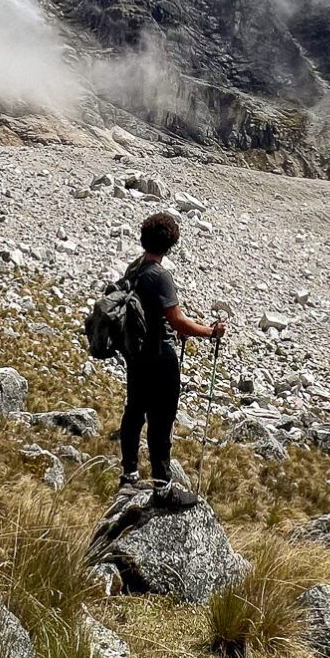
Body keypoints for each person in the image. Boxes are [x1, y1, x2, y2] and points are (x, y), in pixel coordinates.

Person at [119, 210, 224, 506]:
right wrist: (210, 331)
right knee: (161, 420)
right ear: (170, 243)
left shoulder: (134, 270)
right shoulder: (160, 275)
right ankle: (163, 486)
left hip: (136, 355)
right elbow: (177, 320)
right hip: (161, 358)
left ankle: (128, 474)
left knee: (134, 411)